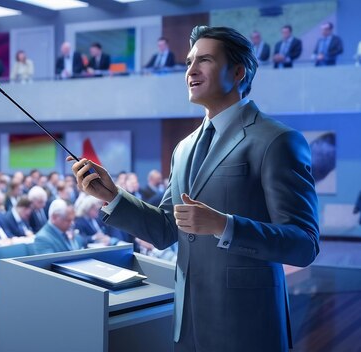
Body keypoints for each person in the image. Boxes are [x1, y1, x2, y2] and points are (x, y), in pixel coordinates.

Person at [70, 26, 319, 351]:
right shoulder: (184, 148)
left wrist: (224, 225)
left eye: (204, 60)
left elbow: (304, 244)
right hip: (188, 324)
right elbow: (165, 229)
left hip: (248, 326)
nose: (190, 70)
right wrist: (112, 196)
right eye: (189, 62)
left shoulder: (276, 140)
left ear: (238, 71)